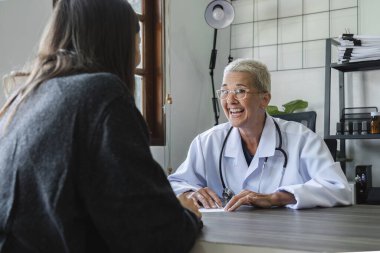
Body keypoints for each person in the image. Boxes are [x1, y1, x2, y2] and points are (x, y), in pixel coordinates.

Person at [0, 0, 201, 252]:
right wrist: (187, 214)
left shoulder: (23, 98)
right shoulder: (101, 94)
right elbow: (157, 236)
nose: (138, 56)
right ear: (120, 42)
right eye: (138, 42)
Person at [168, 58, 352, 211]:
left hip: (286, 235)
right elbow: (175, 183)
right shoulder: (207, 142)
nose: (230, 100)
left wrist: (277, 197)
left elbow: (339, 189)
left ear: (264, 99)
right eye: (224, 91)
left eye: (240, 91)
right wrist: (188, 193)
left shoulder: (302, 139)